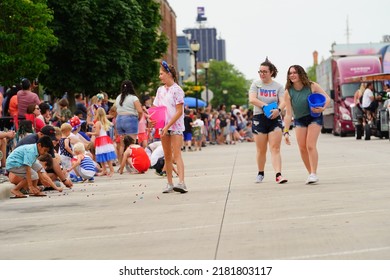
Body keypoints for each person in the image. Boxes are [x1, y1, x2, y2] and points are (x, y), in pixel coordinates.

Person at [283, 65, 330, 184]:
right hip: (299, 119)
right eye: (290, 73)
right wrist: (286, 132)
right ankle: (310, 173)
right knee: (302, 148)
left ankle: (314, 173)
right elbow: (288, 114)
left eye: (295, 72)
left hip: (314, 117)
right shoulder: (288, 92)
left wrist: (322, 108)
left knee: (310, 145)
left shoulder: (311, 85)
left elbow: (327, 98)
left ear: (300, 74)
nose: (292, 75)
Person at [248, 59, 288, 184]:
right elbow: (252, 99)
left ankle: (278, 174)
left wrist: (278, 109)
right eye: (260, 71)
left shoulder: (278, 86)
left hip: (274, 118)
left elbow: (283, 101)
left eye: (265, 71)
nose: (262, 74)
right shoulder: (256, 84)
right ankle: (260, 172)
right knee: (261, 149)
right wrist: (265, 106)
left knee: (275, 148)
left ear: (271, 72)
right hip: (259, 118)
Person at [153, 60, 187, 193]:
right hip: (163, 125)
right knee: (167, 155)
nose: (160, 76)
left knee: (177, 154)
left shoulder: (177, 90)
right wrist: (153, 120)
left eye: (161, 74)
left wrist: (168, 125)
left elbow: (179, 111)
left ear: (169, 74)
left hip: (176, 126)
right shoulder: (160, 90)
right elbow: (157, 108)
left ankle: (182, 182)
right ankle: (169, 183)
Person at [115, 80, 143, 163]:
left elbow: (116, 109)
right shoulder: (133, 98)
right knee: (131, 143)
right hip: (130, 119)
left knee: (121, 144)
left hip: (119, 119)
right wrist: (139, 118)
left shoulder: (118, 97)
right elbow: (140, 111)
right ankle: (132, 163)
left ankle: (121, 163)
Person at [88, 107, 117, 176]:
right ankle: (107, 170)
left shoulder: (98, 123)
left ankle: (107, 170)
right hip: (105, 139)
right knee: (106, 155)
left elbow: (97, 133)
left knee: (101, 155)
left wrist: (90, 133)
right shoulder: (104, 122)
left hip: (100, 140)